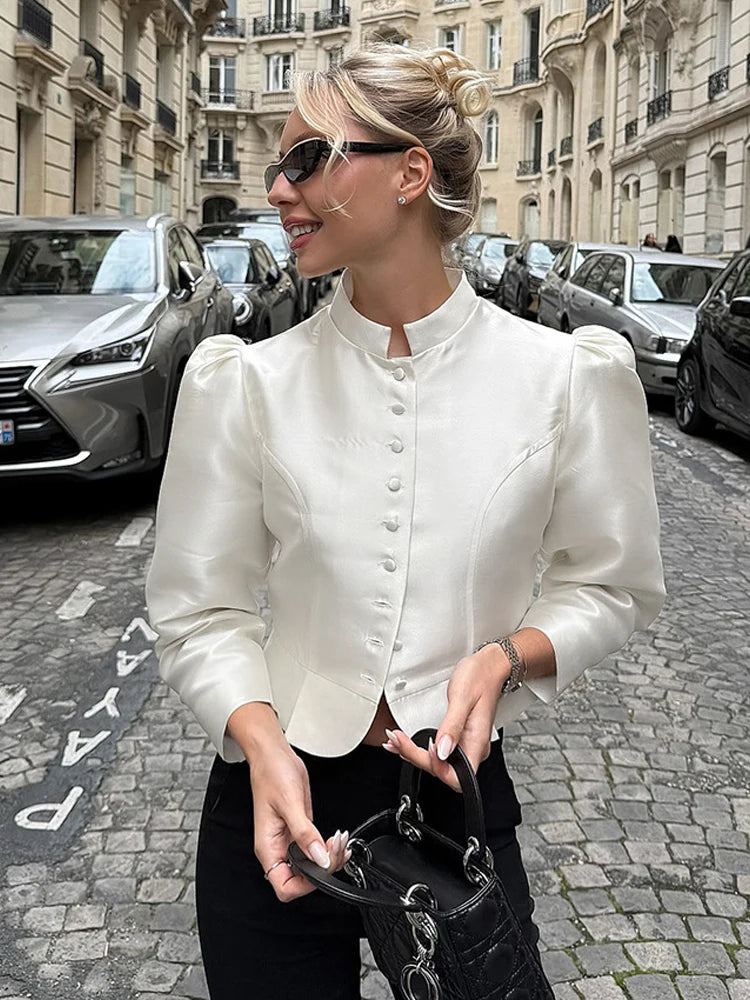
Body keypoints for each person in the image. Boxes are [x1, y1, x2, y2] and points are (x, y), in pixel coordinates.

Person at [146, 45, 665, 1000]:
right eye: (279, 165)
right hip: (275, 794)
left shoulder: (566, 378)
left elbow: (611, 581)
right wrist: (259, 740)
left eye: (307, 159)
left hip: (455, 800)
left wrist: (507, 657)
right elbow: (199, 607)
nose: (277, 189)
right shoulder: (246, 382)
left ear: (410, 173)